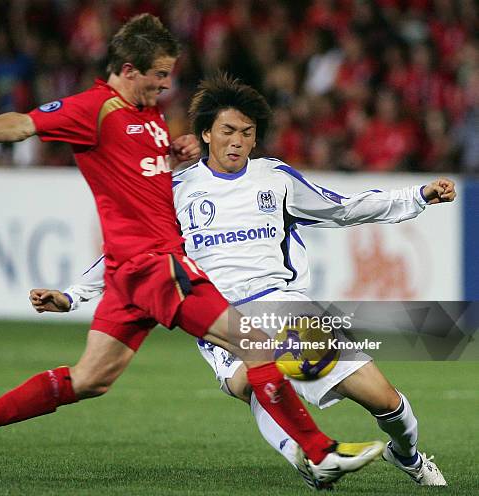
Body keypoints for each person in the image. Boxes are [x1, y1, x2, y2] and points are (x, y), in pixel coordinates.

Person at [0, 15, 383, 486]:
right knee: (253, 341)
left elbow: (141, 173)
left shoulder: (146, 116)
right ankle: (319, 450)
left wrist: (174, 153)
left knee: (90, 379)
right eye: (160, 74)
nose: (167, 84)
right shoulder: (92, 109)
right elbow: (24, 124)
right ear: (129, 70)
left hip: (133, 273)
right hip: (154, 264)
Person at [53, 74, 452, 486]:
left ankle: (409, 457)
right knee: (252, 380)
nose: (237, 141)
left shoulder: (274, 178)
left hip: (283, 305)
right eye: (227, 131)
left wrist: (416, 196)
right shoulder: (176, 189)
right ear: (206, 133)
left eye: (247, 133)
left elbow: (344, 209)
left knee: (383, 399)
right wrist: (73, 295)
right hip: (217, 314)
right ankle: (310, 457)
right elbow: (130, 252)